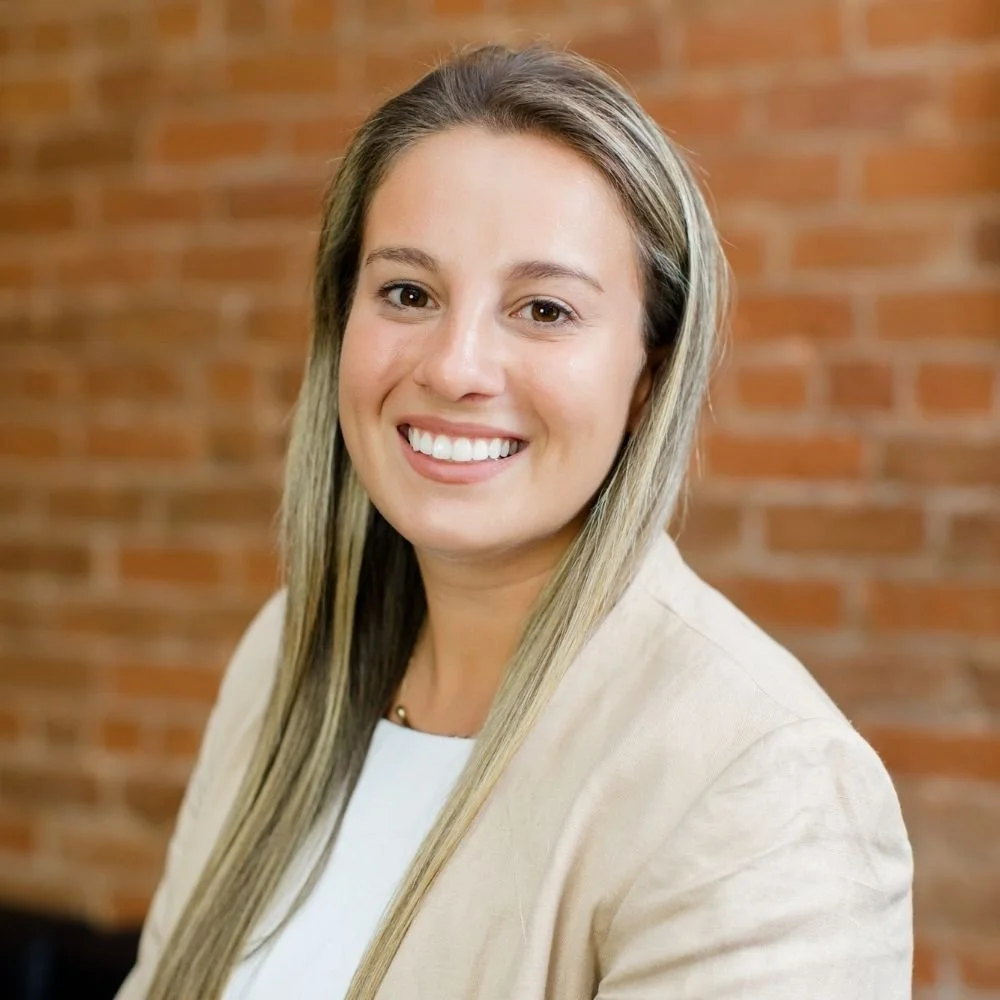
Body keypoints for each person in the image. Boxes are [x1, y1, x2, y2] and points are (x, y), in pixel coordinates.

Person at [115, 42, 913, 1000]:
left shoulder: (764, 783)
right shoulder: (283, 657)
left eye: (543, 309)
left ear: (647, 374)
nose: (455, 366)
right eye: (408, 293)